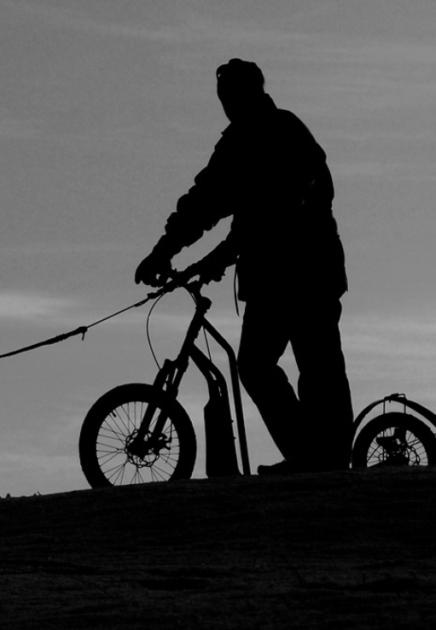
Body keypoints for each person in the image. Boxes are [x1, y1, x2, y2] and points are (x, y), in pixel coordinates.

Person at [134, 59, 353, 475]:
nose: (227, 105)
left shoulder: (287, 131)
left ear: (253, 91)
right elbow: (203, 202)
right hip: (269, 277)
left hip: (308, 272)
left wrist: (222, 253)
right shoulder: (234, 145)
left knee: (318, 366)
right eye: (222, 98)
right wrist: (163, 251)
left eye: (232, 95)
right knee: (255, 364)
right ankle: (310, 456)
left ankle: (329, 461)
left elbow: (284, 207)